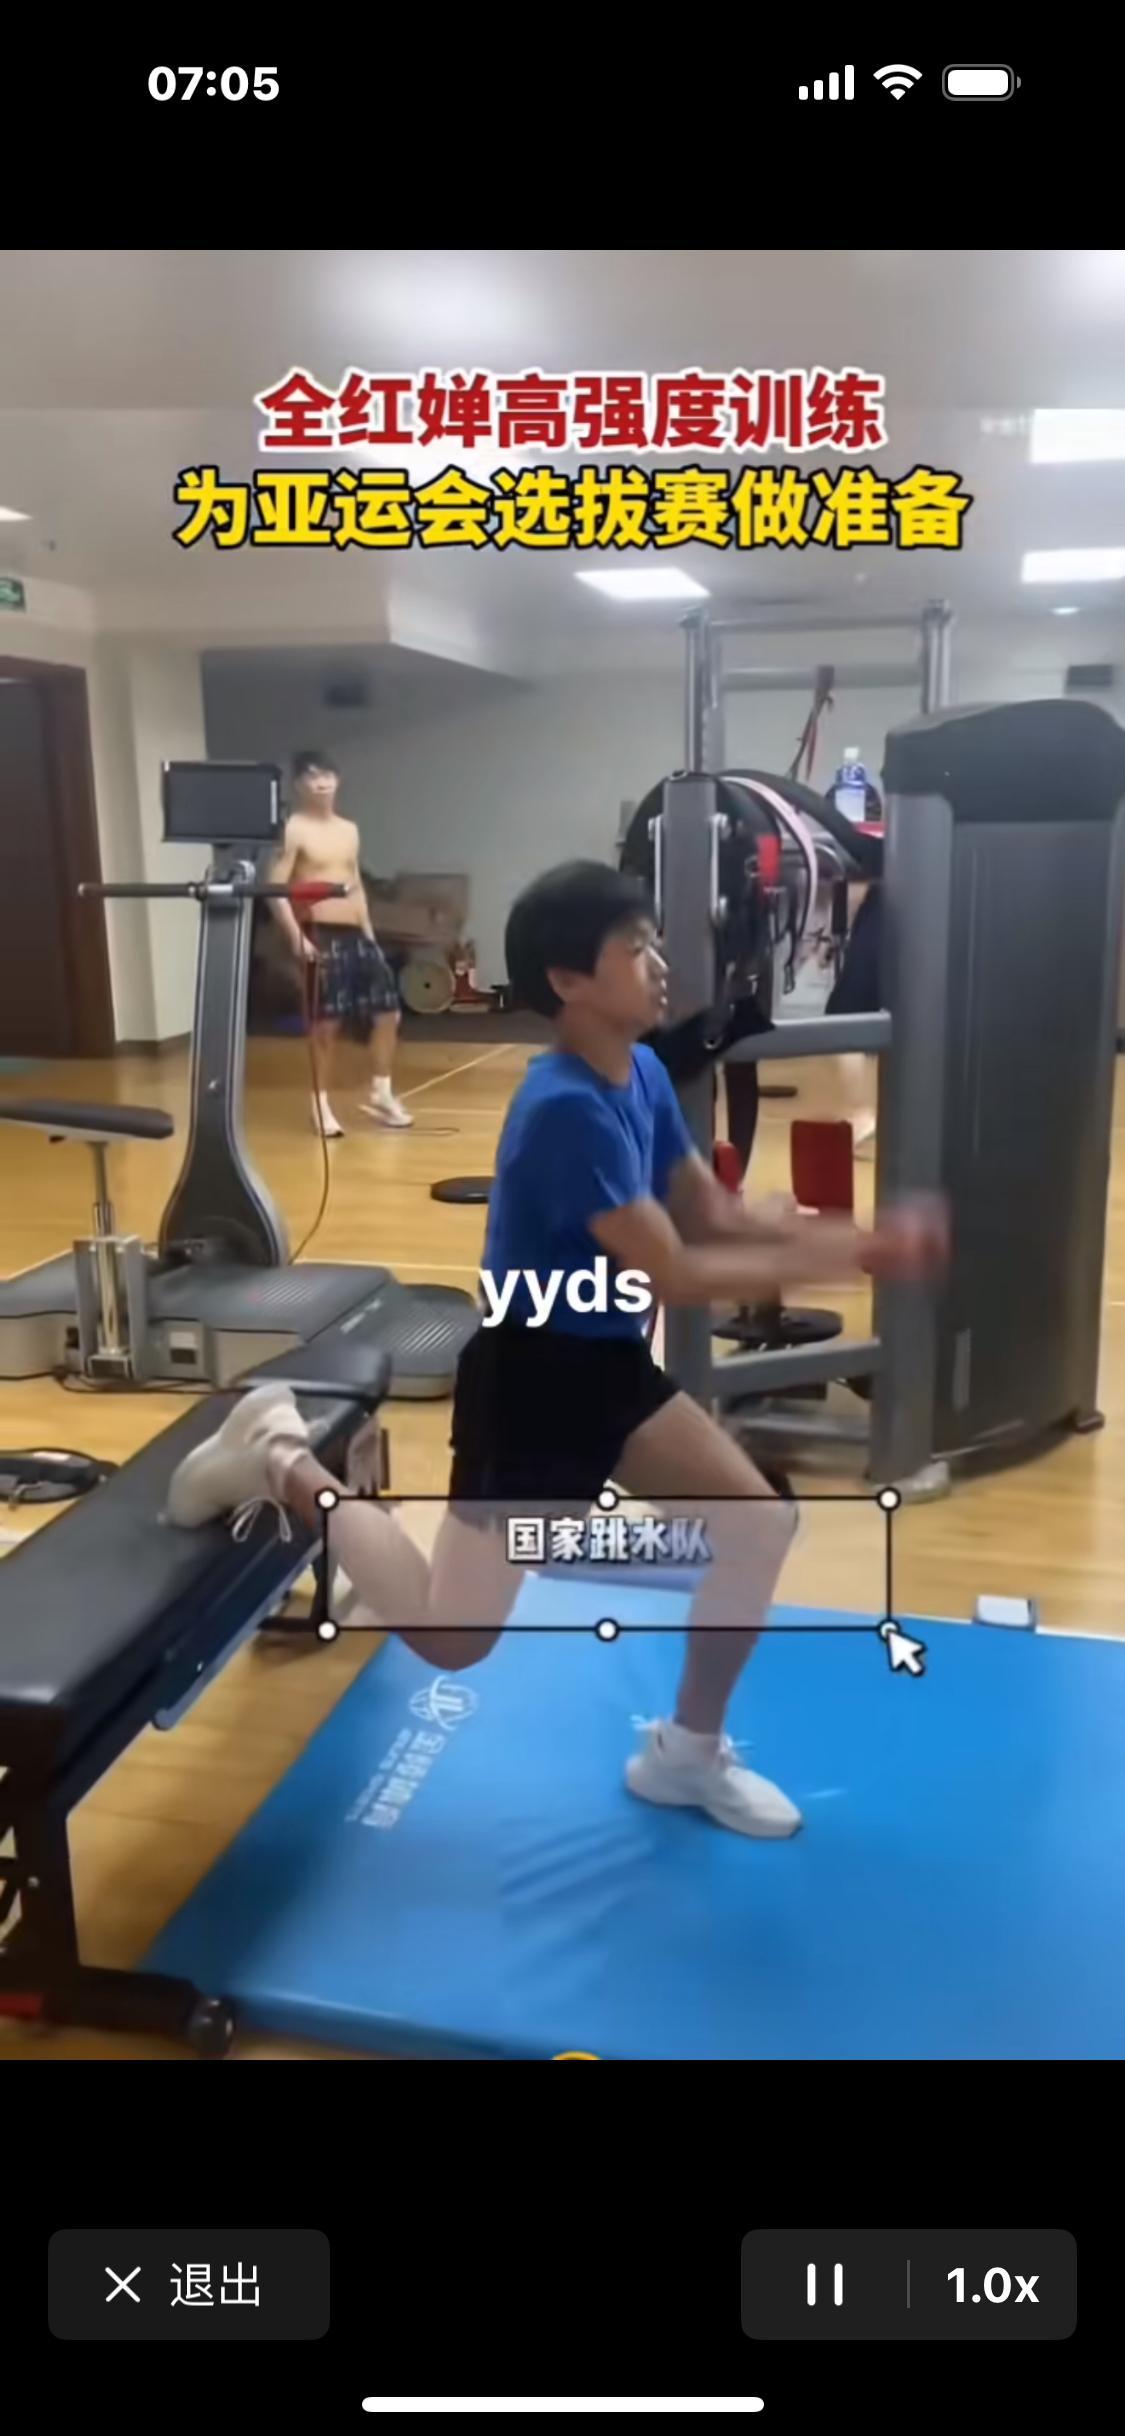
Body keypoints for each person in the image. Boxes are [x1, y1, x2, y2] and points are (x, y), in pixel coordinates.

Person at [165, 861, 945, 1840]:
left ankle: (685, 1755)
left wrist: (814, 1231)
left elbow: (708, 1214)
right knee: (453, 1635)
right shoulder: (563, 1112)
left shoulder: (643, 1072)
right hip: (532, 1386)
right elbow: (676, 1271)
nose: (660, 964)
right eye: (636, 948)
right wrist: (854, 1253)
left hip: (606, 1366)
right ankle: (280, 1456)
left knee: (754, 1526)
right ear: (570, 981)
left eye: (654, 942)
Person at [268, 749, 411, 1136]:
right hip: (320, 932)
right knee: (326, 1025)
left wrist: (369, 935)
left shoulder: (349, 830)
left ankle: (381, 1092)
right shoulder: (294, 829)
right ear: (299, 784)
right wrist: (296, 939)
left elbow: (355, 884)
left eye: (327, 775)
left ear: (337, 779)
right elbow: (276, 890)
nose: (321, 783)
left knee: (388, 1012)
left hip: (354, 933)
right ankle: (320, 1105)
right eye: (312, 777)